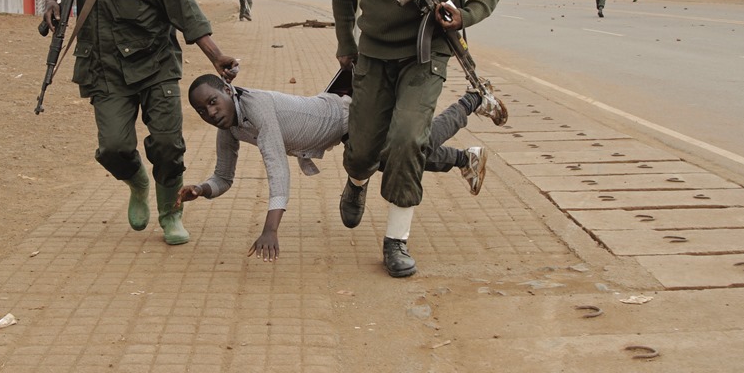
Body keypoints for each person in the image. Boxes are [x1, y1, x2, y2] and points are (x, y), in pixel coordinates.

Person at [331, 0, 505, 278]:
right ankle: (355, 182)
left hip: (428, 54)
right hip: (373, 51)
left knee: (409, 139)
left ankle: (396, 239)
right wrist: (345, 41)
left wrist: (464, 14)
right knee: (364, 147)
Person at [39, 0, 239, 246]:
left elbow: (186, 13)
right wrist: (51, 0)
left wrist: (216, 57)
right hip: (103, 69)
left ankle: (170, 213)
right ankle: (137, 181)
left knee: (167, 145)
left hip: (155, 67)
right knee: (113, 148)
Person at [178, 73, 506, 261]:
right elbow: (223, 176)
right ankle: (467, 159)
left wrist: (271, 229)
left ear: (227, 89)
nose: (210, 112)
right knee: (396, 160)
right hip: (346, 133)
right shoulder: (230, 127)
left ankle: (473, 99)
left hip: (353, 116)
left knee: (416, 144)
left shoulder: (256, 106)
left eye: (212, 101)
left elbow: (277, 167)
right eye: (201, 110)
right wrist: (202, 189)